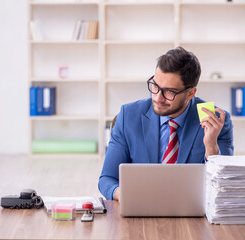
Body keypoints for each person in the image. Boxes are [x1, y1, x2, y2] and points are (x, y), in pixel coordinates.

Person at [99, 46, 234, 201]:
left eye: (169, 91)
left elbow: (222, 187)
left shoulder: (215, 120)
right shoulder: (128, 116)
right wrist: (125, 195)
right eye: (155, 86)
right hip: (141, 208)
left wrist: (211, 146)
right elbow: (107, 179)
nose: (157, 97)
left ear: (190, 93)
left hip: (191, 212)